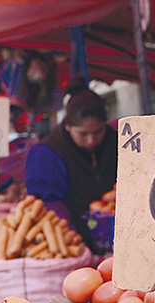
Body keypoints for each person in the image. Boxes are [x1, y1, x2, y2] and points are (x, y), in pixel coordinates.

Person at [24, 76, 118, 253]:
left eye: (97, 132)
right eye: (83, 134)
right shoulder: (47, 154)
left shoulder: (118, 141)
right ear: (67, 125)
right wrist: (74, 244)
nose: (91, 140)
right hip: (75, 246)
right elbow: (51, 208)